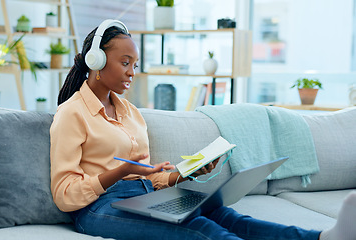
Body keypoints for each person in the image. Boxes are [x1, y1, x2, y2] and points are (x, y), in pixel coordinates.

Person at [50, 19, 356, 240]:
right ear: (96, 60)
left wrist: (184, 174)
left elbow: (150, 178)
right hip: (97, 209)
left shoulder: (130, 112)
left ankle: (324, 238)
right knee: (200, 230)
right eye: (125, 62)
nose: (132, 72)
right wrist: (117, 173)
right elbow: (64, 195)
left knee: (225, 216)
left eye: (135, 64)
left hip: (143, 195)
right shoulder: (71, 114)